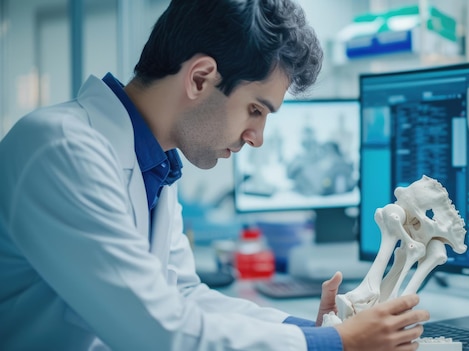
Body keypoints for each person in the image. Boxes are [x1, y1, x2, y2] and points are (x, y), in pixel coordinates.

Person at [0, 0, 429, 350]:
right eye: (256, 109)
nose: (257, 137)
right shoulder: (62, 148)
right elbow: (159, 334)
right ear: (201, 78)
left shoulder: (153, 166)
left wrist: (319, 331)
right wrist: (334, 345)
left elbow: (185, 298)